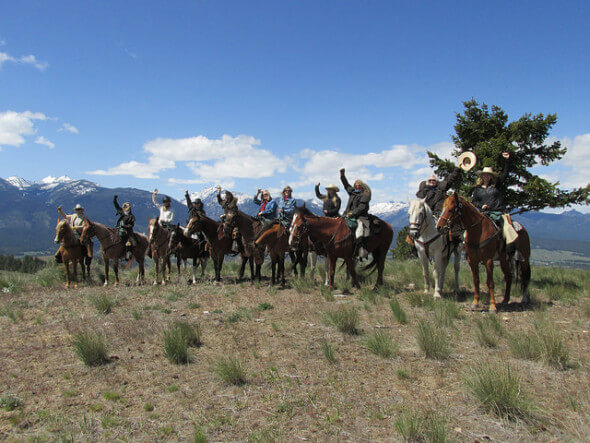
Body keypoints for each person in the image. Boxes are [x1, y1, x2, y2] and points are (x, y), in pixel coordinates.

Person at [471, 152, 518, 254]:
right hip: (483, 214)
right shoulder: (477, 189)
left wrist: (507, 160)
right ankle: (470, 251)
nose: (486, 177)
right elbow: (474, 201)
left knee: (507, 228)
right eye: (484, 175)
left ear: (491, 177)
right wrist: (481, 206)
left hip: (498, 213)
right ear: (481, 177)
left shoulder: (497, 185)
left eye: (488, 175)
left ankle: (511, 250)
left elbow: (505, 174)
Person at [340, 168, 371, 259]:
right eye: (356, 185)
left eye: (359, 185)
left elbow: (361, 207)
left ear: (362, 186)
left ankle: (361, 248)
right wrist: (342, 175)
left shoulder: (365, 195)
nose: (357, 187)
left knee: (360, 230)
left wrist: (352, 213)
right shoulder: (353, 192)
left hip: (360, 216)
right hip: (347, 214)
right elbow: (346, 185)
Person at [217, 187, 240, 252]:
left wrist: (225, 215)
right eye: (226, 196)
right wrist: (218, 193)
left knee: (235, 232)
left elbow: (233, 213)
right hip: (226, 221)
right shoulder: (225, 203)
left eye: (227, 196)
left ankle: (235, 246)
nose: (226, 197)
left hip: (233, 221)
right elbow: (220, 201)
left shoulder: (233, 204)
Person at [113, 195, 136, 260]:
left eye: (126, 207)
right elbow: (116, 206)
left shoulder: (131, 216)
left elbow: (131, 225)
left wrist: (124, 226)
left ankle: (128, 253)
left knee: (131, 242)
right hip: (118, 229)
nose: (125, 208)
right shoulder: (122, 212)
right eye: (124, 207)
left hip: (127, 232)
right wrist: (115, 200)